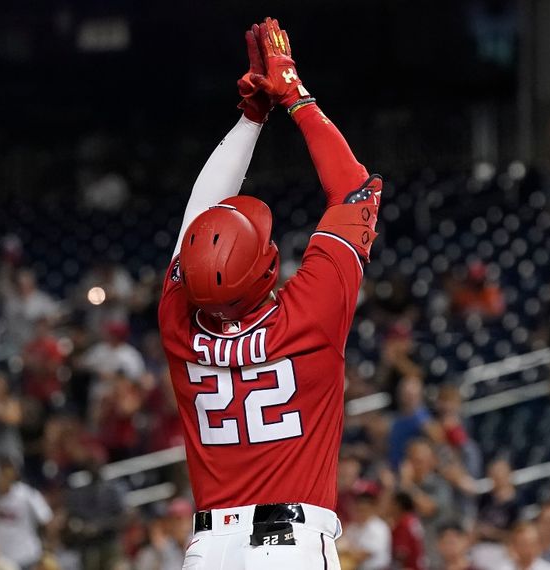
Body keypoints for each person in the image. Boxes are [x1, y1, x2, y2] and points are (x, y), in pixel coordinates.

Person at [157, 18, 382, 569]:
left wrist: (250, 118)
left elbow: (197, 218)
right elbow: (355, 186)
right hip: (292, 546)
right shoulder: (309, 315)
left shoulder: (177, 323)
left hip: (208, 549)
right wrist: (294, 97)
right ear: (267, 269)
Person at [0, 459, 53, 570]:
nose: (5, 477)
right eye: (2, 473)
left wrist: (48, 548)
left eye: (8, 473)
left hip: (27, 556)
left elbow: (46, 519)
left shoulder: (27, 494)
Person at [338, 483, 391, 570]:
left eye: (364, 510)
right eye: (358, 510)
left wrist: (347, 550)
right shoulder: (353, 527)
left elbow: (361, 556)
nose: (361, 513)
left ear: (373, 508)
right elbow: (339, 545)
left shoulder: (379, 528)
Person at [390, 492, 427, 570]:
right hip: (420, 565)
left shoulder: (403, 523)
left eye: (391, 504)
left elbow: (402, 553)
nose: (388, 507)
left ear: (397, 505)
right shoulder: (413, 519)